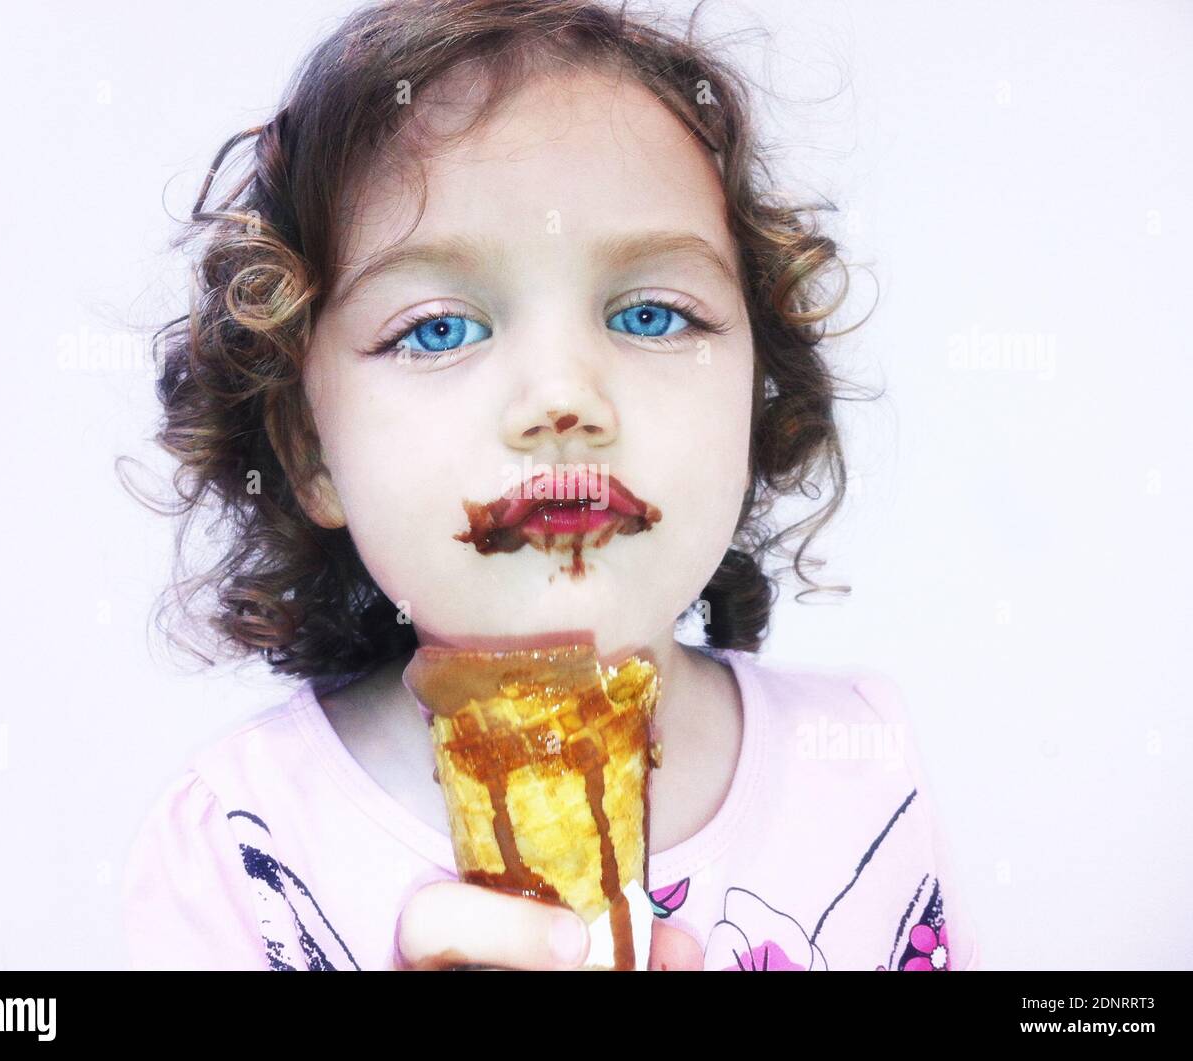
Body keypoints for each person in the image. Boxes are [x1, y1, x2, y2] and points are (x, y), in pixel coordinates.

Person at [119, 0, 980, 972]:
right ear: (312, 449)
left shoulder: (864, 774)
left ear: (757, 392)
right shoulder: (239, 852)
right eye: (439, 327)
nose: (563, 396)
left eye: (653, 313)